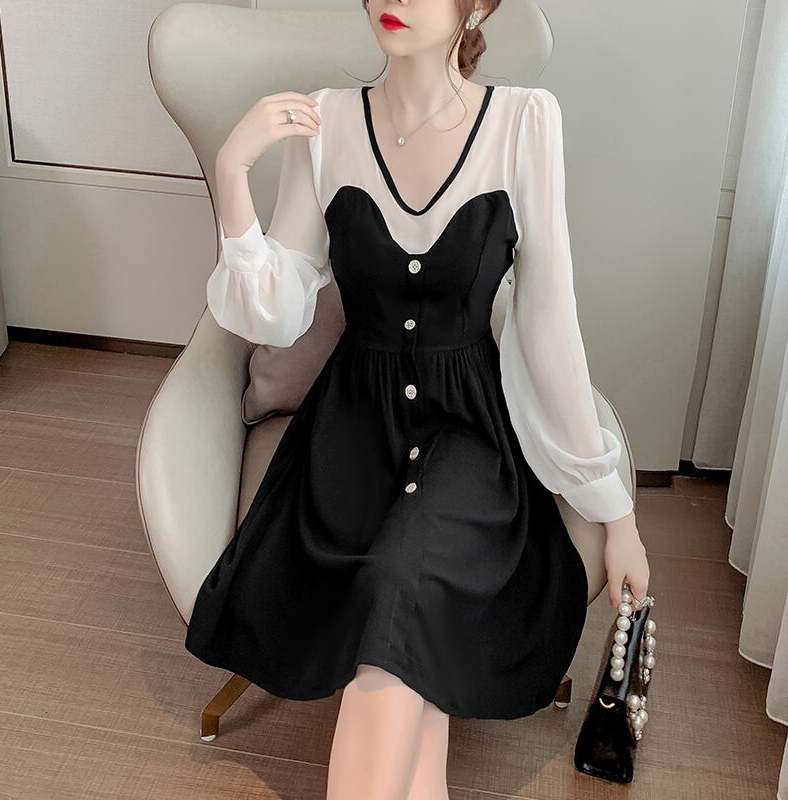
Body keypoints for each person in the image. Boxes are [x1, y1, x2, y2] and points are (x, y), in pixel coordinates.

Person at [185, 1, 650, 798]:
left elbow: (548, 325)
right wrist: (232, 173)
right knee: (409, 647)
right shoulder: (327, 122)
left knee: (398, 590)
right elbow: (277, 314)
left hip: (467, 435)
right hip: (349, 437)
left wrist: (617, 513)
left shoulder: (524, 122)